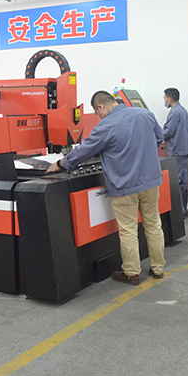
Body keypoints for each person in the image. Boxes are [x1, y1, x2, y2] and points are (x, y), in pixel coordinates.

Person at [46, 90, 166, 285]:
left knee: (128, 230)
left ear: (100, 106)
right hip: (151, 181)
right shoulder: (145, 114)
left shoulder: (106, 125)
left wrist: (61, 164)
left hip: (125, 186)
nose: (98, 117)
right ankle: (158, 268)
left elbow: (84, 151)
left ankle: (132, 272)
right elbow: (159, 138)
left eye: (96, 113)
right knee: (153, 224)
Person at [163, 88, 188, 215]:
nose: (164, 101)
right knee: (183, 183)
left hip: (175, 152)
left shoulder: (174, 112)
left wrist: (156, 135)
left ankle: (177, 213)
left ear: (170, 99)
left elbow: (168, 131)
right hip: (184, 150)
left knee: (175, 182)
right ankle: (182, 210)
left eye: (165, 98)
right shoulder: (183, 111)